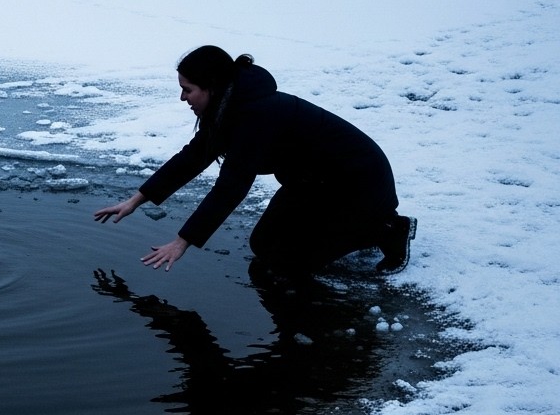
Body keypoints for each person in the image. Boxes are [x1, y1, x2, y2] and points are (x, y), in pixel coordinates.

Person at [94, 45, 415, 276]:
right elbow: (192, 157)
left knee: (295, 264)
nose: (182, 98)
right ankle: (346, 230)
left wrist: (182, 242)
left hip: (356, 184)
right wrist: (136, 201)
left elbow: (231, 188)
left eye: (187, 90)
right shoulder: (227, 107)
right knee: (265, 246)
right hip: (310, 183)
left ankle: (387, 228)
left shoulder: (254, 115)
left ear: (211, 87)